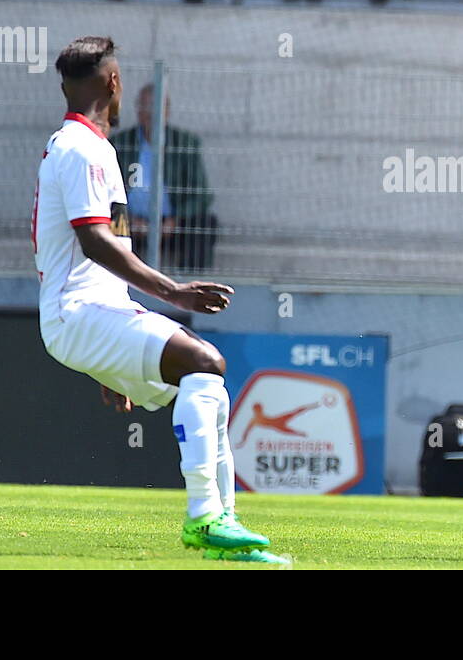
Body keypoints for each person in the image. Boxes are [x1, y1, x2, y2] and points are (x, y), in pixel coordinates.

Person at [32, 36, 285, 564]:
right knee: (204, 361)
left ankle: (224, 529)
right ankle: (204, 519)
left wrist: (108, 364)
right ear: (113, 81)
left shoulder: (85, 146)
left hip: (94, 311)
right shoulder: (83, 148)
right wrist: (174, 291)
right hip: (78, 313)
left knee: (204, 384)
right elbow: (94, 242)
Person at [110, 84, 219, 271]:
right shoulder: (120, 143)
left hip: (172, 225)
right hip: (130, 224)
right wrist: (130, 219)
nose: (152, 114)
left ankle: (191, 284)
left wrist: (175, 220)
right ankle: (113, 281)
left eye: (157, 107)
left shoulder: (185, 143)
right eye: (146, 107)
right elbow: (107, 192)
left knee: (206, 223)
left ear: (167, 111)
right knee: (105, 222)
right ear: (137, 109)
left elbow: (203, 195)